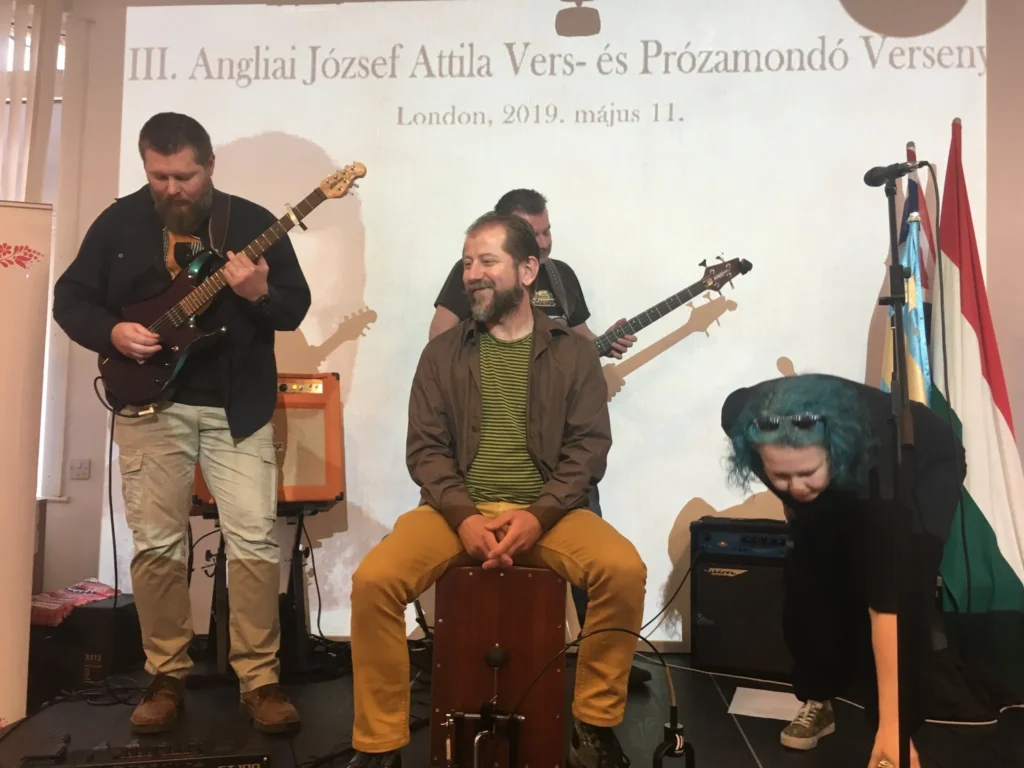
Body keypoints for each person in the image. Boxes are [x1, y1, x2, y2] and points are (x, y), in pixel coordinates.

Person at [347, 212, 646, 768]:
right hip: (453, 513)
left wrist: (539, 515)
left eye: (487, 261)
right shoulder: (441, 354)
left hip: (549, 515)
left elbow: (588, 450)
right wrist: (463, 517)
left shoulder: (575, 353)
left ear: (528, 270)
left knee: (623, 571)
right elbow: (425, 451)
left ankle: (594, 724)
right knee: (374, 582)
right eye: (467, 263)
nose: (472, 274)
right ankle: (379, 744)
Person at [51, 112, 310, 734]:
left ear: (210, 165)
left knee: (253, 542)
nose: (172, 189)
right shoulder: (118, 222)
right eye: (159, 176)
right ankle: (166, 676)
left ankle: (260, 680)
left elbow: (293, 306)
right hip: (149, 405)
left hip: (236, 407)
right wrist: (111, 331)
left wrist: (258, 294)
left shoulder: (250, 223)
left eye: (185, 176)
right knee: (157, 546)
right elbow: (71, 298)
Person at [721, 372, 1014, 768]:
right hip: (849, 468)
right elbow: (796, 486)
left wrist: (893, 729)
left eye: (806, 474)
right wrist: (796, 503)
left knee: (903, 583)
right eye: (781, 476)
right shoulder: (741, 417)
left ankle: (895, 727)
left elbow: (887, 604)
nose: (797, 487)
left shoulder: (878, 466)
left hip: (926, 464)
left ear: (835, 452)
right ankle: (818, 697)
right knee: (808, 577)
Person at [428, 189, 649, 684]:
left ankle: (597, 659)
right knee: (381, 578)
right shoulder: (473, 277)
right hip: (485, 460)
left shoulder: (560, 276)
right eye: (535, 233)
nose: (545, 242)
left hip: (555, 452)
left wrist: (598, 345)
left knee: (607, 558)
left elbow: (580, 343)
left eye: (548, 231)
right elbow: (440, 338)